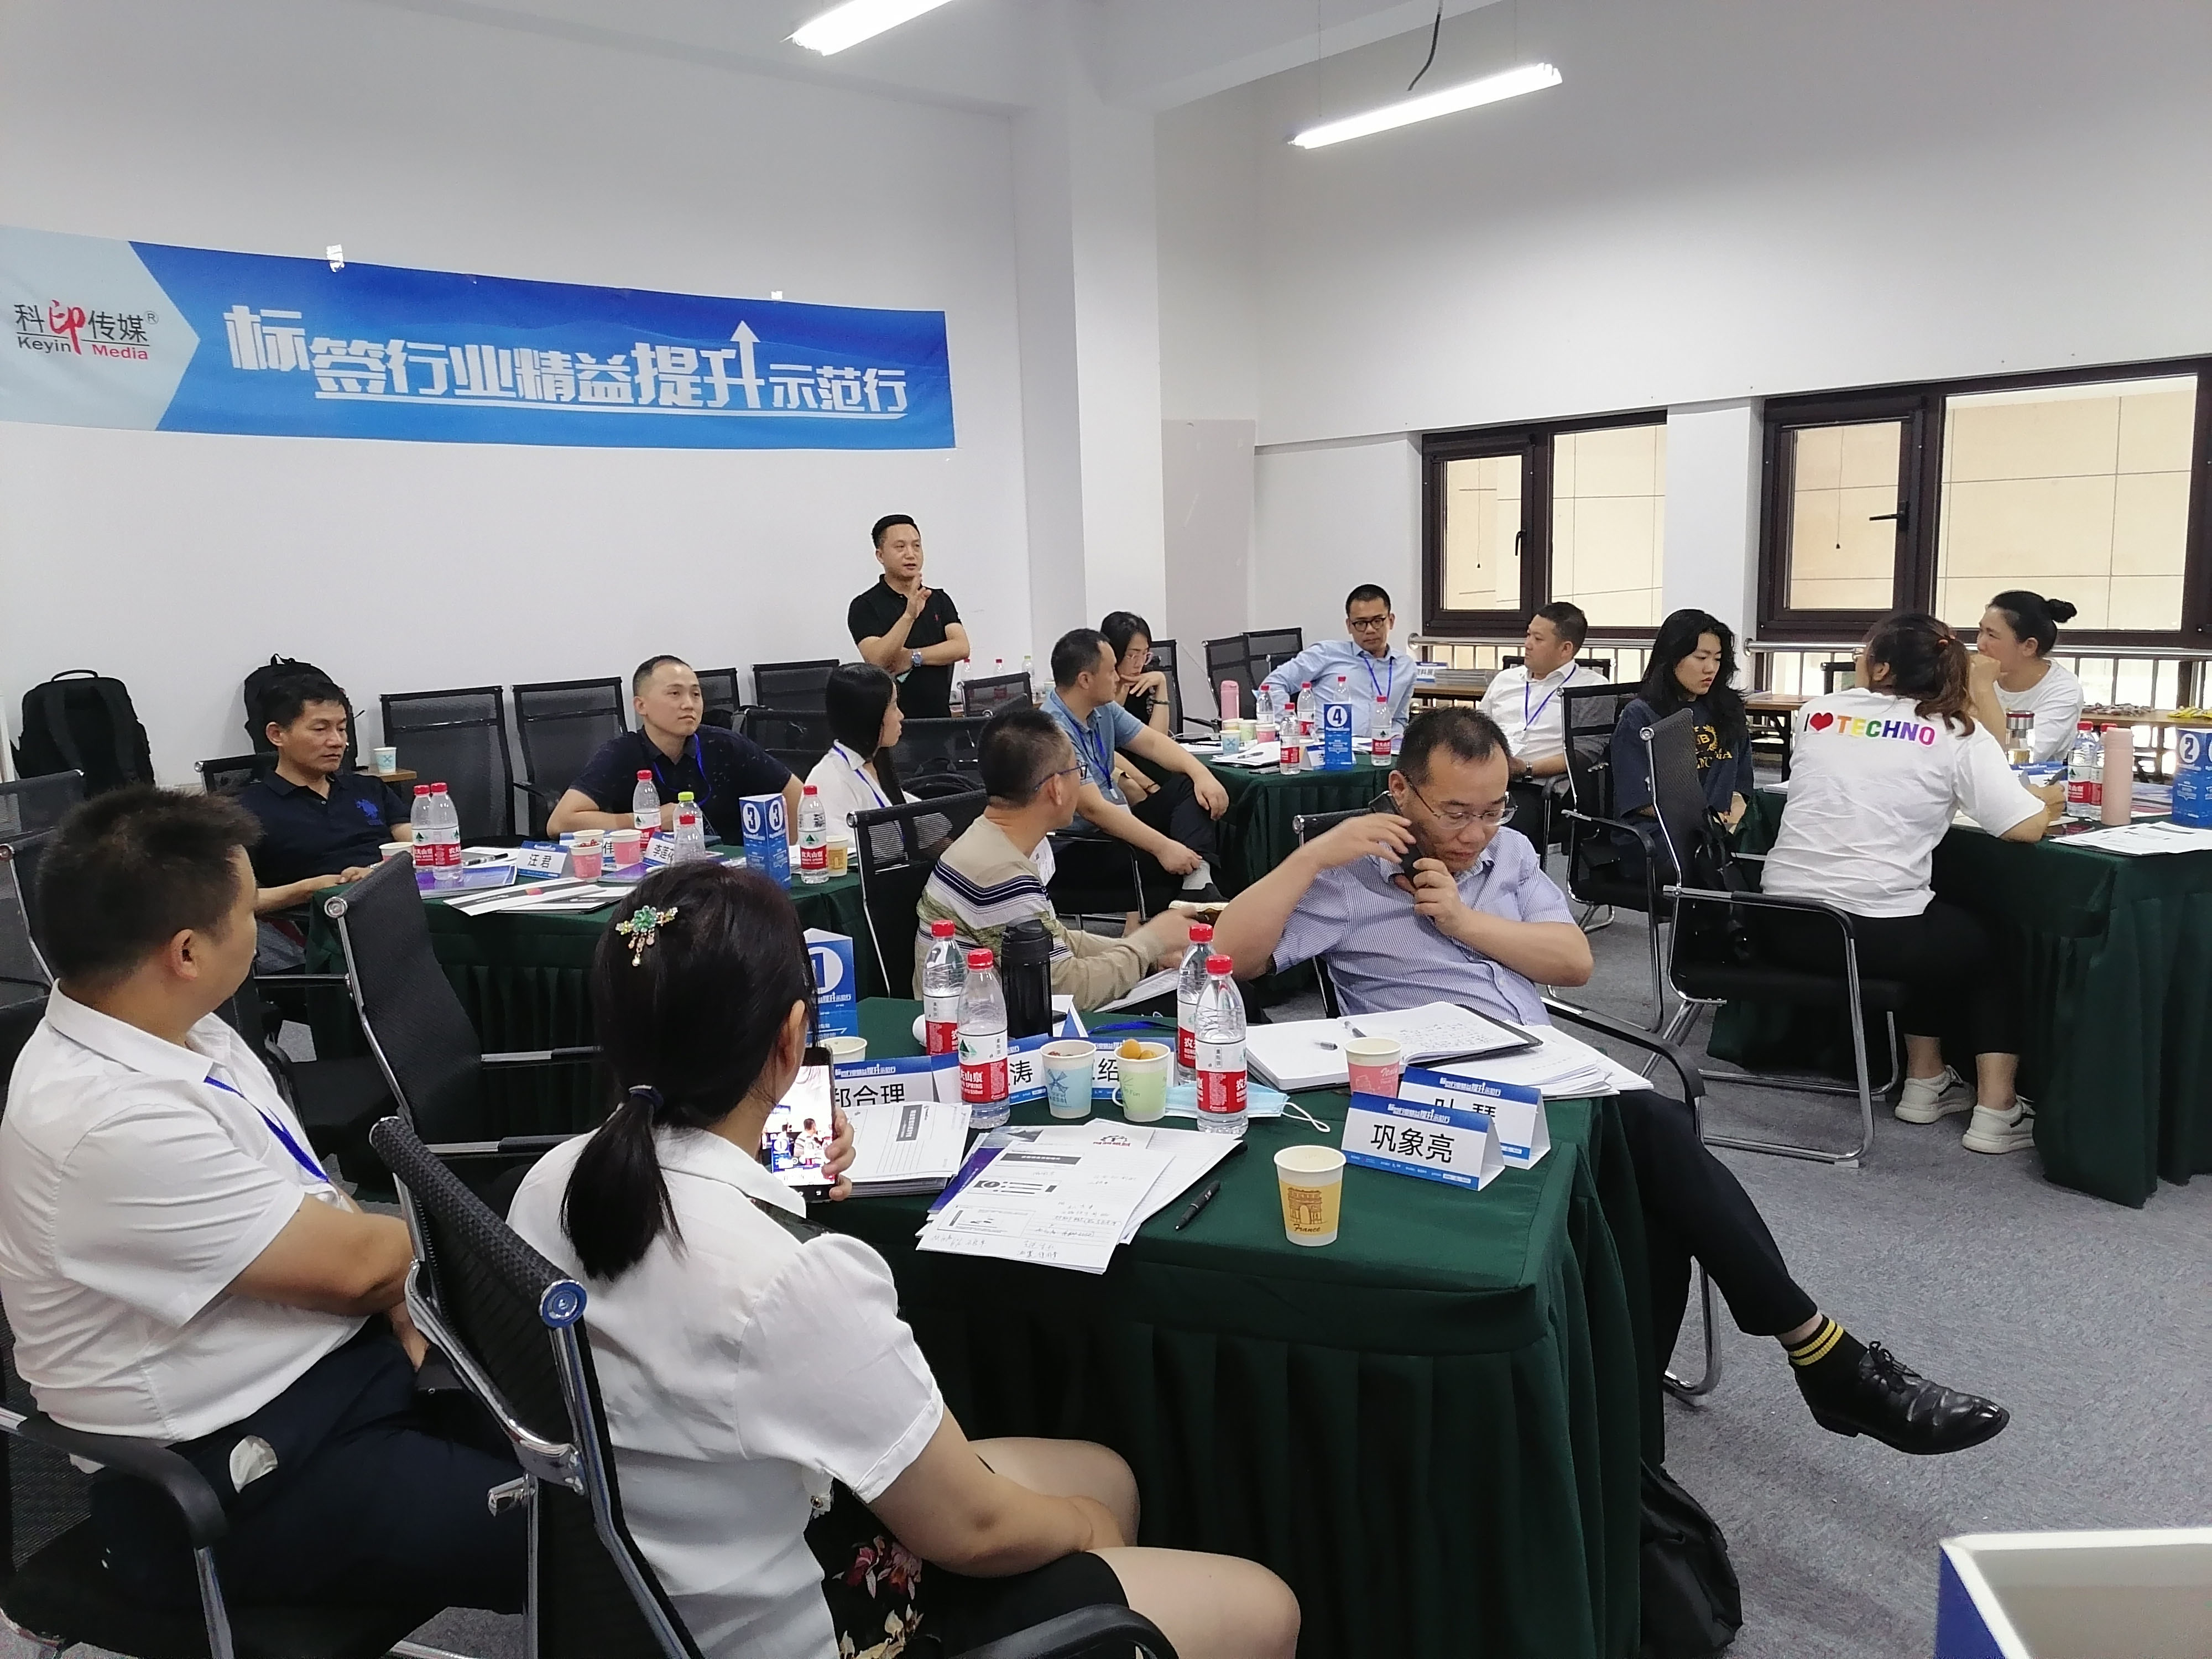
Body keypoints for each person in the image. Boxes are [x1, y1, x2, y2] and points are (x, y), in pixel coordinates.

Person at [508, 863, 1297, 1659]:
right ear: (791, 1039)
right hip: (808, 1623)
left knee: (1104, 1474)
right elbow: (974, 1530)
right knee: (1259, 1605)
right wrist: (1083, 1531)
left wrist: (763, 1169)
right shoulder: (794, 1276)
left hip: (668, 1586)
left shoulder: (548, 1186)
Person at [1210, 708, 2010, 1457]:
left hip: (1543, 1072)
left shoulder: (1508, 855)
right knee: (1657, 1132)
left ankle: (1645, 1431)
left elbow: (1574, 962)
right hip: (1433, 1099)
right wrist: (1312, 855)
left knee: (1654, 1191)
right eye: (1455, 813)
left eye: (1493, 809)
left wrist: (1462, 922)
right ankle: (1821, 1358)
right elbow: (1229, 958)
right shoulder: (1348, 879)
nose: (1475, 833)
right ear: (1400, 791)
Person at [0, 788, 527, 1612]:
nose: (258, 926)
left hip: (334, 1381)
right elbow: (356, 1268)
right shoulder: (107, 1120)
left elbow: (319, 1205)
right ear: (186, 952)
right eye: (247, 912)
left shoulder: (185, 1028)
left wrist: (394, 1286)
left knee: (615, 1445)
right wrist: (402, 1271)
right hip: (224, 1478)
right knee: (584, 1544)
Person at [1760, 612, 2065, 1154]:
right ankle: (1997, 1110)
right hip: (1874, 934)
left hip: (1784, 924)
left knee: (1931, 917)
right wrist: (2043, 801)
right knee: (1986, 945)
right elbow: (2021, 827)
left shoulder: (1818, 713)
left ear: (1881, 669)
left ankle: (1927, 1081)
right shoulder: (1956, 733)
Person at [914, 708, 1191, 1006]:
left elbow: (1060, 939)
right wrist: (1150, 942)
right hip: (979, 1026)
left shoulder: (989, 841)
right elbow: (1067, 991)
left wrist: (1149, 956)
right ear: (1056, 788)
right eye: (1078, 772)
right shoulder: (999, 874)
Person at [235, 675, 412, 967]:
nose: (337, 742)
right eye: (320, 729)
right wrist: (310, 889)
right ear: (277, 735)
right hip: (329, 935)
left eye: (342, 729)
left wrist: (379, 873)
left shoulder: (367, 788)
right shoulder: (246, 810)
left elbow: (422, 845)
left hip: (403, 906)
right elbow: (235, 902)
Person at [1045, 628, 1229, 904]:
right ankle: (1198, 889)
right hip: (1083, 845)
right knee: (1182, 856)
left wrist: (1202, 774)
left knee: (1188, 787)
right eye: (1111, 671)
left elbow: (1153, 743)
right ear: (1085, 680)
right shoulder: (1053, 731)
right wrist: (1164, 848)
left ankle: (1198, 883)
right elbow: (1094, 810)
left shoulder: (1102, 709)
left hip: (1119, 824)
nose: (1118, 678)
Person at [552, 655, 800, 844]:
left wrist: (790, 853)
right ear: (641, 706)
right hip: (655, 876)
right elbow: (560, 822)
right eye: (675, 694)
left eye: (696, 694)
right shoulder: (621, 753)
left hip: (730, 875)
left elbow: (797, 794)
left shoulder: (725, 745)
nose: (689, 704)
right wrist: (647, 821)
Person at [1609, 609, 1756, 872]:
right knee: (1711, 860)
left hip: (1720, 826)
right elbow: (1640, 801)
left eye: (1717, 659)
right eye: (1701, 658)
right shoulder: (1641, 715)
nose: (1710, 668)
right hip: (1662, 830)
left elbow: (1741, 782)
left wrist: (1736, 806)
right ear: (1672, 658)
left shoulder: (1728, 709)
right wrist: (1704, 822)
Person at [1479, 602, 1593, 841]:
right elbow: (1477, 728)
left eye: (1538, 639)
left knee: (1501, 832)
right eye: (1528, 634)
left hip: (1538, 789)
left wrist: (1526, 768)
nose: (1527, 644)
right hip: (1484, 777)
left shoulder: (1589, 689)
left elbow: (1585, 754)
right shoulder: (1505, 680)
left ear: (1566, 649)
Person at [848, 514, 971, 719]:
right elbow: (877, 660)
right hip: (892, 725)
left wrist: (913, 657)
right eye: (900, 547)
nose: (911, 554)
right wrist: (909, 615)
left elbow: (961, 647)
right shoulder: (865, 606)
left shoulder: (938, 599)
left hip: (941, 720)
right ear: (880, 555)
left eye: (916, 546)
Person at [1260, 585, 1417, 742]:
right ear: (1349, 626)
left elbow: (1399, 719)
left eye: (1377, 621)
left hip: (1379, 750)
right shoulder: (1326, 653)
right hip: (1328, 746)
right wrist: (1290, 726)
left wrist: (1395, 739)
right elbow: (1273, 684)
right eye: (1361, 623)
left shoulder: (1406, 668)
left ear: (1391, 621)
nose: (1370, 630)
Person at [1978, 590, 2085, 763]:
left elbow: (2021, 758)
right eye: (1980, 631)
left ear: (2029, 646)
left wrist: (1982, 688)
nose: (1980, 644)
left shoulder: (2063, 691)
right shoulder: (1975, 673)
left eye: (1992, 635)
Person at [1101, 611, 1174, 735]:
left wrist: (1162, 683)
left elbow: (1158, 740)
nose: (1140, 663)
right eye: (1132, 655)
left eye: (1145, 654)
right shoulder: (1097, 688)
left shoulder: (1145, 683)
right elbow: (1105, 738)